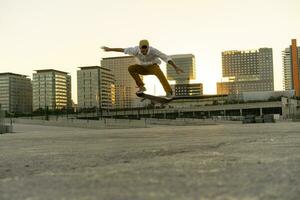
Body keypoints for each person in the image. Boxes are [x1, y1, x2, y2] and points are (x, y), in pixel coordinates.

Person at [101, 40, 184, 99]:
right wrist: (110, 49)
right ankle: (141, 87)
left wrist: (175, 67)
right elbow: (123, 50)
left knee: (160, 74)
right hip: (142, 68)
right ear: (140, 48)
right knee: (131, 68)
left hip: (153, 67)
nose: (144, 52)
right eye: (142, 50)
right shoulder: (135, 50)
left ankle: (169, 92)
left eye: (145, 50)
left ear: (148, 48)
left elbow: (165, 57)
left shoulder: (154, 51)